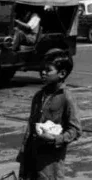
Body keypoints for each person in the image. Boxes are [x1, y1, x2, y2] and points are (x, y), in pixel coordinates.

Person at [17, 50, 82, 179]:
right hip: (31, 159)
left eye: (48, 70)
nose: (43, 72)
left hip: (50, 164)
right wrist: (23, 154)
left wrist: (55, 139)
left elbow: (76, 130)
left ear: (62, 73)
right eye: (42, 69)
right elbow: (30, 128)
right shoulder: (38, 96)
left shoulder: (66, 97)